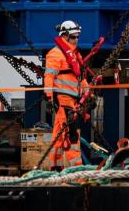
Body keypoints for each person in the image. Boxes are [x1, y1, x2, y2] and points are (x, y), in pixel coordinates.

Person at [44, 20, 87, 168]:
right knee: (72, 135)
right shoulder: (55, 54)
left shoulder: (75, 55)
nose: (76, 40)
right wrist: (49, 98)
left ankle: (54, 167)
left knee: (58, 136)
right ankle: (78, 170)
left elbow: (81, 78)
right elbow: (49, 77)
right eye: (74, 37)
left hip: (72, 101)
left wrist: (89, 96)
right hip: (62, 100)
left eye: (77, 37)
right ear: (65, 36)